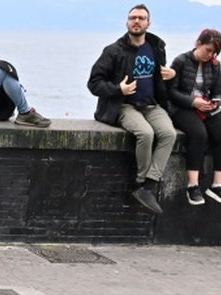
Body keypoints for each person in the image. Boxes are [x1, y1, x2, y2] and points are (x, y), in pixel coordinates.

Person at [88, 4, 177, 215]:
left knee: (169, 134)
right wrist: (118, 88)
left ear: (148, 23)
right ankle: (141, 180)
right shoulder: (113, 51)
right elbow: (94, 83)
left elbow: (161, 78)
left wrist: (173, 75)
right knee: (145, 133)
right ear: (127, 22)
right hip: (123, 105)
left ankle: (149, 185)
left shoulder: (156, 47)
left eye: (141, 18)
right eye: (133, 18)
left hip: (151, 104)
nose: (136, 21)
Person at [168, 29, 221, 206]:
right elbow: (171, 92)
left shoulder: (214, 65)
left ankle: (218, 185)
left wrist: (216, 102)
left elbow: (218, 91)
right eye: (208, 50)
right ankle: (193, 185)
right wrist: (192, 102)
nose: (210, 55)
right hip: (182, 107)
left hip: (205, 106)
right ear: (198, 43)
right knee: (199, 134)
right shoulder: (181, 61)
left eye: (214, 52)